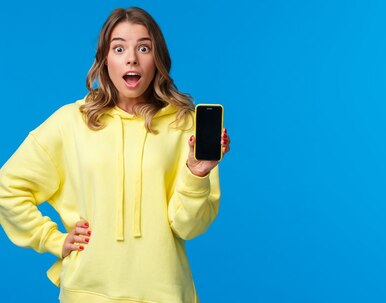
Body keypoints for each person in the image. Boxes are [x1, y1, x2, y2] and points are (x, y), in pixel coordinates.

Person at [0, 7, 230, 303]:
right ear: (105, 59)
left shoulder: (184, 125)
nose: (131, 58)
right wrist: (52, 239)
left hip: (165, 293)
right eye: (119, 48)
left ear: (157, 59)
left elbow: (189, 226)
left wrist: (197, 172)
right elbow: (8, 188)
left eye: (143, 48)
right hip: (87, 292)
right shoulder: (70, 121)